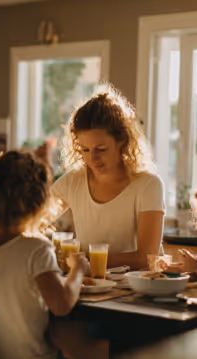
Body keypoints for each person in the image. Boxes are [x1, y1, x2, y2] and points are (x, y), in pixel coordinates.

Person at [0, 151, 90, 359]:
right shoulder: (37, 249)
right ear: (39, 201)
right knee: (94, 347)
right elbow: (62, 304)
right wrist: (78, 270)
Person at [51, 84, 165, 270]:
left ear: (122, 141)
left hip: (133, 291)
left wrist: (88, 260)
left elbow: (147, 257)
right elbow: (34, 220)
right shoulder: (73, 180)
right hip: (87, 285)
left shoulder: (148, 184)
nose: (92, 159)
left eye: (101, 149)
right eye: (85, 150)